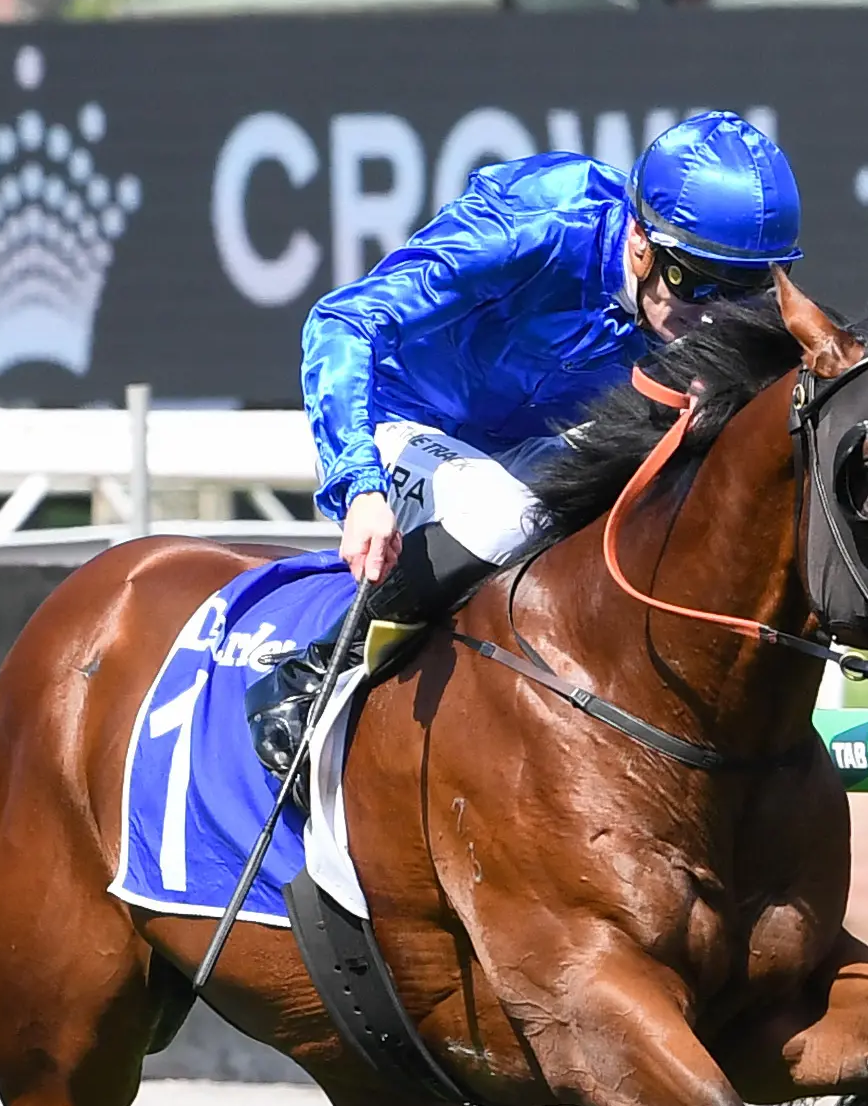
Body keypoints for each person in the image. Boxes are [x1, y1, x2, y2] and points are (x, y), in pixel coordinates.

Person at [244, 110, 805, 774]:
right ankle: (310, 680)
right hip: (395, 420)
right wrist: (361, 483)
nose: (712, 314)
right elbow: (341, 321)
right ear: (638, 239)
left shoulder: (709, 308)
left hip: (525, 449)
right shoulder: (539, 226)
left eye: (743, 291)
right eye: (693, 280)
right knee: (505, 509)